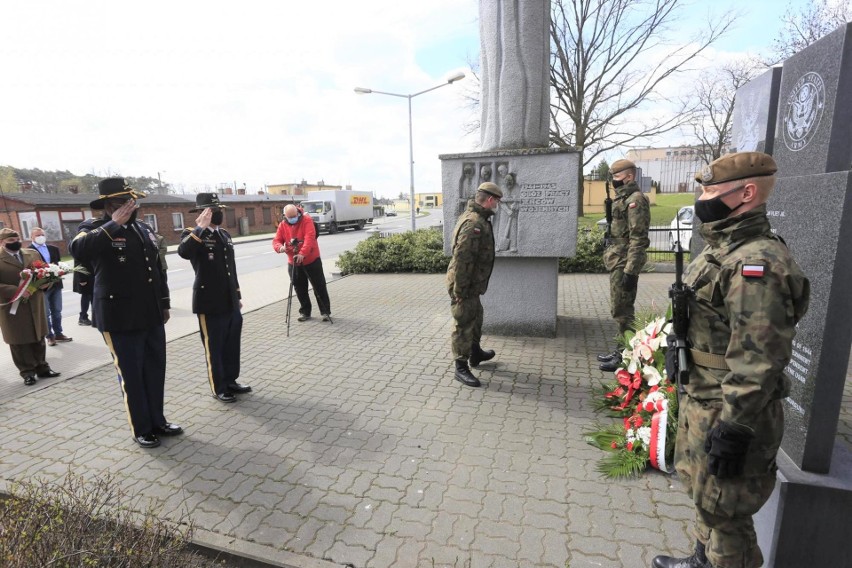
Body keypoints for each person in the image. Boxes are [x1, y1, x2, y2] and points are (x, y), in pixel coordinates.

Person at [653, 152, 810, 568]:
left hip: (731, 410)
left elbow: (760, 357)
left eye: (711, 190)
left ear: (748, 192)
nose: (703, 198)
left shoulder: (754, 263)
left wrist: (736, 426)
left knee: (728, 517)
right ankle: (702, 559)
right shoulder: (723, 247)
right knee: (709, 502)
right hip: (705, 398)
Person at [70, 177, 182, 449]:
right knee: (131, 375)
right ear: (108, 204)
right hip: (119, 316)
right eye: (123, 202)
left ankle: (158, 420)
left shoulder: (143, 229)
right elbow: (78, 250)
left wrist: (164, 303)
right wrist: (114, 224)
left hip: (150, 313)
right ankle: (141, 428)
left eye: (132, 202)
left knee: (155, 371)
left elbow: (157, 268)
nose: (131, 207)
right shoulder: (93, 228)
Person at [178, 193, 251, 403]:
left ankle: (231, 380)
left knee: (231, 343)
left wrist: (237, 295)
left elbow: (232, 269)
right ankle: (218, 387)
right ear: (203, 213)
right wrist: (200, 227)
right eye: (213, 210)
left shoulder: (224, 235)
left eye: (220, 210)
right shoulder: (193, 234)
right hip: (209, 301)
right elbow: (183, 252)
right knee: (215, 346)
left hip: (229, 299)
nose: (219, 214)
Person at [446, 182, 501, 388]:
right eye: (496, 201)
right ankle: (460, 368)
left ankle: (475, 353)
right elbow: (462, 260)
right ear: (489, 199)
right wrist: (459, 291)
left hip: (471, 284)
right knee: (463, 323)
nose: (496, 205)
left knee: (476, 316)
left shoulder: (478, 218)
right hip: (464, 285)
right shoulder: (474, 224)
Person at [598, 158, 650, 372]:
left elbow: (639, 239)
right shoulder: (623, 198)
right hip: (617, 259)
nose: (614, 181)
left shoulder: (636, 199)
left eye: (617, 177)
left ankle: (627, 357)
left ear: (629, 176)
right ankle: (621, 350)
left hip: (625, 262)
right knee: (618, 309)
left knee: (623, 311)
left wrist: (631, 270)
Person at [0, 228, 61, 385]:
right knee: (19, 340)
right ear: (2, 243)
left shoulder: (31, 253)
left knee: (38, 335)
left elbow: (45, 270)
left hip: (35, 302)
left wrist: (46, 282)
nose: (16, 243)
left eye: (17, 239)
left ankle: (42, 367)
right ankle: (27, 372)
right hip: (12, 305)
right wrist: (18, 290)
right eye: (11, 241)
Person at [272, 204, 331, 322]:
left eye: (295, 215)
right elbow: (276, 240)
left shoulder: (306, 220)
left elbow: (310, 238)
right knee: (299, 288)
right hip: (293, 261)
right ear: (285, 216)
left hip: (311, 259)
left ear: (298, 212)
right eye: (290, 217)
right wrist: (280, 248)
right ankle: (305, 312)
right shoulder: (283, 224)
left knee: (319, 286)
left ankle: (325, 311)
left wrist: (302, 253)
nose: (293, 218)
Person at [28, 227, 72, 346]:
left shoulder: (53, 249)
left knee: (57, 311)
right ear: (31, 237)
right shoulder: (28, 251)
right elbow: (28, 270)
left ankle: (58, 333)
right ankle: (49, 336)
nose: (40, 237)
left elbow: (57, 265)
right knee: (45, 313)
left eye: (42, 234)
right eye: (37, 235)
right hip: (41, 287)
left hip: (56, 285)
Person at [73, 259, 94, 326]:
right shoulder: (81, 249)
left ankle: (95, 317)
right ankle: (83, 318)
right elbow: (79, 263)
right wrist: (82, 279)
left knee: (93, 297)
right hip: (85, 278)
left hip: (92, 275)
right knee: (86, 296)